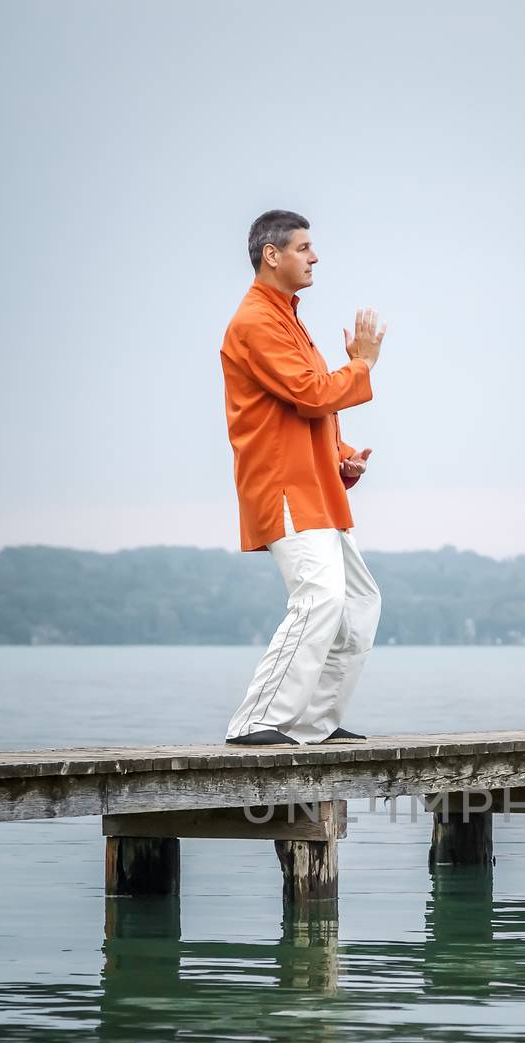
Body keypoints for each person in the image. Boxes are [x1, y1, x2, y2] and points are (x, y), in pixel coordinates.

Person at [221, 209, 387, 746]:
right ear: (272, 255)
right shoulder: (256, 322)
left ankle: (313, 723)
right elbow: (313, 393)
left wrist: (341, 455)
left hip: (317, 485)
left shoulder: (287, 319)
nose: (314, 257)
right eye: (303, 247)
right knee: (319, 599)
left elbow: (308, 404)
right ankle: (257, 722)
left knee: (359, 603)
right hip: (284, 486)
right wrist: (361, 365)